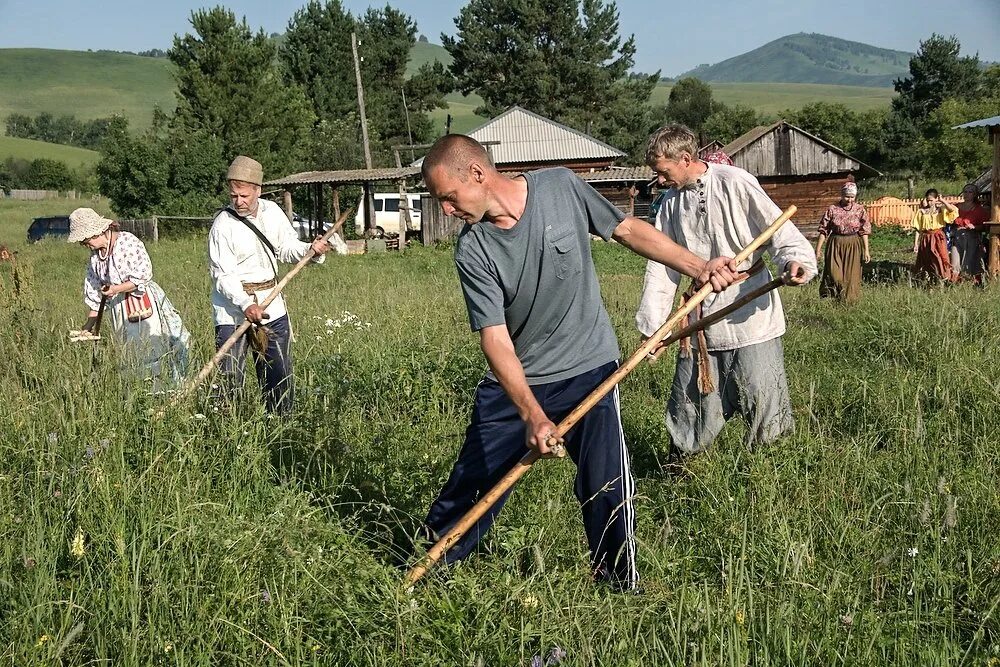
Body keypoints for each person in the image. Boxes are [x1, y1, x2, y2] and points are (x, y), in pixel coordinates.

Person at [417, 134, 739, 590]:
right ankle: (431, 569)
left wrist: (698, 266)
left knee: (607, 482)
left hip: (591, 367)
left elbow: (627, 230)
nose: (446, 211)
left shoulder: (560, 187)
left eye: (448, 199)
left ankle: (617, 583)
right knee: (473, 483)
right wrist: (531, 414)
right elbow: (496, 338)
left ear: (477, 173)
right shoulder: (474, 250)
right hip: (519, 384)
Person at [636, 124, 817, 459]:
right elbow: (662, 268)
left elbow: (781, 231)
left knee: (763, 396)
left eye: (662, 172)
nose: (658, 181)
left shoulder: (735, 183)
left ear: (686, 158)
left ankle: (770, 469)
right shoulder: (669, 204)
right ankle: (683, 467)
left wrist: (795, 262)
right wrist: (653, 329)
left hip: (751, 315)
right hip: (700, 323)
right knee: (691, 403)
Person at [208, 155, 337, 415]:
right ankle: (227, 429)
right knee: (230, 379)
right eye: (234, 196)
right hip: (233, 312)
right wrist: (246, 304)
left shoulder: (273, 212)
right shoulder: (222, 226)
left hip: (272, 306)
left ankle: (280, 427)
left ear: (258, 190)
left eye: (244, 195)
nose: (239, 201)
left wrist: (310, 250)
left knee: (278, 376)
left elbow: (286, 248)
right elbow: (223, 276)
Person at [68, 208, 190, 388]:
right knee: (132, 354)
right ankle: (141, 394)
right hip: (119, 310)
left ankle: (167, 391)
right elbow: (96, 296)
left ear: (96, 232)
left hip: (142, 302)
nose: (84, 245)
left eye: (85, 240)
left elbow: (143, 275)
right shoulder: (95, 257)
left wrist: (115, 288)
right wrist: (88, 327)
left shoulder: (126, 242)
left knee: (154, 346)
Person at [814, 182, 871, 304]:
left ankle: (847, 302)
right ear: (842, 195)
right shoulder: (832, 209)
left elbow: (864, 230)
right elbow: (823, 230)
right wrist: (818, 249)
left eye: (852, 197)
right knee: (835, 274)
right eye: (847, 196)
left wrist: (866, 250)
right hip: (835, 243)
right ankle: (834, 295)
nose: (849, 200)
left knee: (851, 276)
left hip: (853, 244)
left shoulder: (860, 210)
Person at [911, 188, 957, 283]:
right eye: (928, 200)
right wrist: (915, 243)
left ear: (936, 199)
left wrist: (942, 200)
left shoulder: (941, 210)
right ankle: (927, 279)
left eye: (931, 200)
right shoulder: (921, 212)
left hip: (937, 237)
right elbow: (918, 229)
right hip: (926, 237)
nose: (929, 202)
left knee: (939, 257)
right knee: (926, 258)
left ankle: (943, 278)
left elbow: (952, 210)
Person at [950, 183, 989, 283]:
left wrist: (975, 227)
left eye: (970, 191)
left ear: (975, 194)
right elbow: (947, 218)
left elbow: (985, 227)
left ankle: (969, 285)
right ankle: (955, 284)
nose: (967, 194)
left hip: (972, 238)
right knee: (955, 262)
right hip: (957, 238)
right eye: (965, 191)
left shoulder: (980, 210)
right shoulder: (956, 207)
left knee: (968, 263)